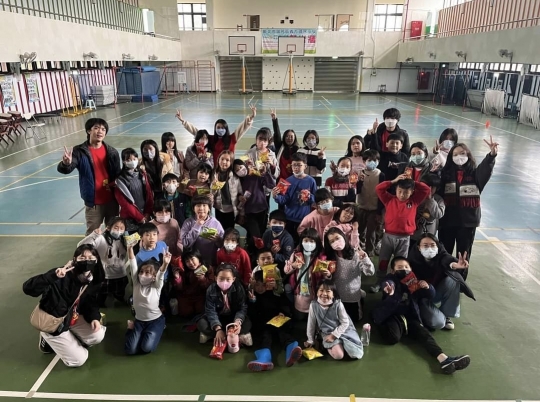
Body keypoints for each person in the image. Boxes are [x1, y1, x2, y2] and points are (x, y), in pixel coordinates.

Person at [372, 256, 471, 375]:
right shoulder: (390, 279)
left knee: (425, 335)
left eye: (406, 267)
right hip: (393, 314)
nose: (404, 269)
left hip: (410, 315)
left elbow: (430, 295)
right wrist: (390, 291)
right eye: (400, 267)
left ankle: (444, 359)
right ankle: (396, 328)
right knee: (392, 338)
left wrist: (428, 287)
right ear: (393, 271)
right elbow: (387, 283)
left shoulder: (414, 281)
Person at [23, 244, 106, 367]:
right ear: (74, 260)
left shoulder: (92, 278)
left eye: (91, 258)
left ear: (97, 260)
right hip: (53, 322)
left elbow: (90, 301)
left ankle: (68, 336)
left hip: (71, 316)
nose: (87, 261)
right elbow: (28, 288)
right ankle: (46, 337)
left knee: (97, 335)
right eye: (82, 258)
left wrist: (94, 317)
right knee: (79, 359)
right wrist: (53, 276)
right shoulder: (61, 274)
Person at [438, 137, 498, 276]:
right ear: (450, 157)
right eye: (455, 154)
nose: (459, 157)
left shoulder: (475, 175)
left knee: (463, 254)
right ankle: (442, 278)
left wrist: (492, 155)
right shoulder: (445, 174)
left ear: (468, 155)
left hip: (467, 223)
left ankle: (460, 281)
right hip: (447, 220)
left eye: (462, 153)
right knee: (444, 251)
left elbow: (486, 169)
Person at [58, 118, 120, 235]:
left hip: (112, 201)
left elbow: (118, 175)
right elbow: (66, 169)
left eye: (103, 129)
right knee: (92, 234)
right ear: (88, 131)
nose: (100, 131)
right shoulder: (79, 151)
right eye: (96, 128)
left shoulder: (112, 152)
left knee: (113, 232)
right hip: (93, 202)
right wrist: (66, 164)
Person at [372, 175, 431, 292]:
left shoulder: (414, 201)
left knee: (401, 263)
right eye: (399, 191)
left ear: (412, 192)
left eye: (406, 192)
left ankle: (398, 284)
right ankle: (380, 281)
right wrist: (393, 181)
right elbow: (378, 188)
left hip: (404, 238)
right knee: (383, 260)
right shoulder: (389, 199)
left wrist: (413, 182)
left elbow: (426, 189)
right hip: (388, 236)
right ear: (396, 190)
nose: (402, 195)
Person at [408, 234, 472, 330]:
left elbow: (446, 258)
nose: (429, 248)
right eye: (425, 245)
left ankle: (447, 315)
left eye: (433, 245)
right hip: (421, 296)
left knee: (453, 280)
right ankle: (424, 311)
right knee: (438, 323)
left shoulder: (440, 255)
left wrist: (455, 264)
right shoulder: (412, 259)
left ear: (437, 246)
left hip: (436, 291)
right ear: (419, 247)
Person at [246, 270, 302, 372]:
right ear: (253, 285)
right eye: (257, 285)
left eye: (263, 285)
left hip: (277, 320)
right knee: (265, 336)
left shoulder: (275, 293)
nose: (260, 288)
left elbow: (285, 304)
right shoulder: (252, 295)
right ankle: (264, 359)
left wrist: (282, 312)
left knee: (283, 332)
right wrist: (252, 301)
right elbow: (251, 314)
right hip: (263, 324)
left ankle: (291, 349)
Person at [125, 243, 171, 355]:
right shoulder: (137, 284)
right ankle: (132, 329)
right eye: (141, 272)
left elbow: (161, 273)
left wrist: (165, 263)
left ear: (154, 277)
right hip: (139, 321)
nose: (142, 275)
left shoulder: (156, 286)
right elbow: (132, 264)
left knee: (146, 348)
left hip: (155, 320)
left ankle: (160, 327)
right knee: (130, 350)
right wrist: (130, 249)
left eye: (147, 273)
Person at [175, 104, 257, 166]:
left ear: (226, 129)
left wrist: (251, 117)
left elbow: (242, 128)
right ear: (215, 128)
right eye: (218, 127)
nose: (220, 129)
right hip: (214, 169)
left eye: (222, 127)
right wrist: (183, 121)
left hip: (228, 168)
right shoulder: (211, 139)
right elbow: (196, 132)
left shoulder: (232, 138)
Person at [323, 227, 374, 321]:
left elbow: (370, 272)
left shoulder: (356, 254)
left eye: (337, 238)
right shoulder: (330, 257)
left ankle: (360, 297)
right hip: (337, 295)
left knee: (355, 319)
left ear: (343, 237)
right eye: (332, 241)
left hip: (352, 294)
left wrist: (365, 259)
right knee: (338, 319)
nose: (336, 242)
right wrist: (329, 275)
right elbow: (329, 279)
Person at [305, 281, 364, 360]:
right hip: (327, 332)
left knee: (355, 354)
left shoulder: (338, 304)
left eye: (328, 291)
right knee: (339, 355)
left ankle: (341, 344)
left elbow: (345, 323)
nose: (324, 294)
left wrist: (334, 335)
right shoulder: (313, 305)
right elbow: (311, 324)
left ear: (333, 294)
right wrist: (310, 340)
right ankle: (329, 344)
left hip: (344, 330)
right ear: (317, 292)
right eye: (321, 290)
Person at [197, 263, 253, 347]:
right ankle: (234, 335)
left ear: (233, 279)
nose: (224, 282)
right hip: (218, 317)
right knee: (201, 324)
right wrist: (218, 329)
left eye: (228, 279)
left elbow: (242, 308)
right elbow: (210, 310)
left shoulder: (239, 288)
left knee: (248, 323)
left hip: (233, 317)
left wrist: (237, 322)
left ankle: (213, 336)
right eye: (221, 279)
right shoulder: (211, 289)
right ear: (216, 278)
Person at [77, 217, 128, 307]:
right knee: (100, 296)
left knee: (120, 292)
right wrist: (94, 235)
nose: (119, 231)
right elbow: (80, 245)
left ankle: (119, 297)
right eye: (116, 227)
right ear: (109, 228)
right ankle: (100, 303)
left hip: (120, 273)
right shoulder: (101, 239)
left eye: (121, 228)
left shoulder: (125, 240)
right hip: (105, 274)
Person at [284, 229, 329, 318]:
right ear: (301, 241)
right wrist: (293, 266)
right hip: (300, 290)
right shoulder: (296, 254)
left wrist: (327, 274)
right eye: (306, 240)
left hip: (315, 290)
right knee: (300, 315)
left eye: (312, 241)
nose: (309, 243)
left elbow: (327, 277)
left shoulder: (321, 256)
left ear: (317, 242)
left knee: (314, 314)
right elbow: (286, 270)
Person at [234, 158, 276, 253]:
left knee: (260, 233)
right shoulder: (237, 181)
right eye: (237, 170)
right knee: (255, 236)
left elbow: (271, 185)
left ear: (244, 165)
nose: (240, 170)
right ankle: (251, 254)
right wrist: (239, 197)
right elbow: (235, 194)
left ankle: (254, 254)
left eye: (240, 167)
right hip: (249, 212)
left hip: (262, 209)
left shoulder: (255, 174)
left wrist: (265, 173)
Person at [272, 153, 317, 243]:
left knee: (302, 241)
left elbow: (315, 200)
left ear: (305, 166)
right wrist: (276, 196)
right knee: (289, 241)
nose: (296, 167)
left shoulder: (311, 181)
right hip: (289, 218)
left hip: (304, 219)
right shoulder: (287, 181)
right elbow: (284, 200)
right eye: (294, 165)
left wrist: (309, 196)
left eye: (299, 165)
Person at [115, 148, 154, 232]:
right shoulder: (120, 180)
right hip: (130, 218)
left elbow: (149, 194)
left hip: (145, 215)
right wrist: (139, 217)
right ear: (124, 161)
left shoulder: (142, 174)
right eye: (128, 160)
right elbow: (125, 204)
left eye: (134, 159)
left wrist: (147, 213)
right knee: (132, 240)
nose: (132, 162)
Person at [181, 195, 224, 266]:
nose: (201, 208)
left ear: (209, 208)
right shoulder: (188, 222)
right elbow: (186, 244)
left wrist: (218, 240)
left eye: (204, 205)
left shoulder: (215, 223)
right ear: (193, 208)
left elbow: (222, 245)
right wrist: (197, 225)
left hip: (211, 261)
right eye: (198, 205)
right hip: (193, 263)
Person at [357, 150, 385, 256]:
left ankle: (370, 251)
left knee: (371, 231)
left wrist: (379, 211)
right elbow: (357, 191)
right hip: (361, 207)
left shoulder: (381, 175)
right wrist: (359, 182)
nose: (372, 162)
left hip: (374, 208)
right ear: (364, 161)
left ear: (378, 162)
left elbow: (382, 194)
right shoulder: (359, 174)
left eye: (375, 160)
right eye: (369, 160)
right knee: (359, 230)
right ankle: (359, 247)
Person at [171, 249, 215, 317]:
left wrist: (203, 279)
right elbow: (180, 288)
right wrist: (177, 278)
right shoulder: (184, 271)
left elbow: (211, 286)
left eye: (192, 259)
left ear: (198, 258)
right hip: (187, 295)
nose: (191, 263)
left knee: (200, 310)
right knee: (185, 312)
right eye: (187, 261)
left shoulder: (208, 268)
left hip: (201, 295)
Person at [213, 150, 243, 231]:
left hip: (231, 210)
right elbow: (211, 193)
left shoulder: (235, 177)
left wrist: (242, 212)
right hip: (219, 208)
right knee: (220, 231)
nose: (224, 162)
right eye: (222, 159)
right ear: (218, 159)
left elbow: (240, 193)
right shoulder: (213, 174)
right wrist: (214, 187)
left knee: (230, 231)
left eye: (227, 160)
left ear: (231, 162)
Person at [411, 174, 445, 243]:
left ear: (437, 188)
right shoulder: (415, 196)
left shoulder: (438, 199)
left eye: (432, 187)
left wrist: (430, 199)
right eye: (426, 186)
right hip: (413, 235)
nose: (429, 189)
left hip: (429, 236)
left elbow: (439, 214)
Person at [270, 109, 299, 182]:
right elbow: (277, 133)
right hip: (280, 180)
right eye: (287, 136)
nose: (289, 138)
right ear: (284, 137)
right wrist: (274, 120)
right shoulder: (280, 146)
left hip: (294, 180)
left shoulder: (298, 149)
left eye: (291, 136)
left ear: (295, 138)